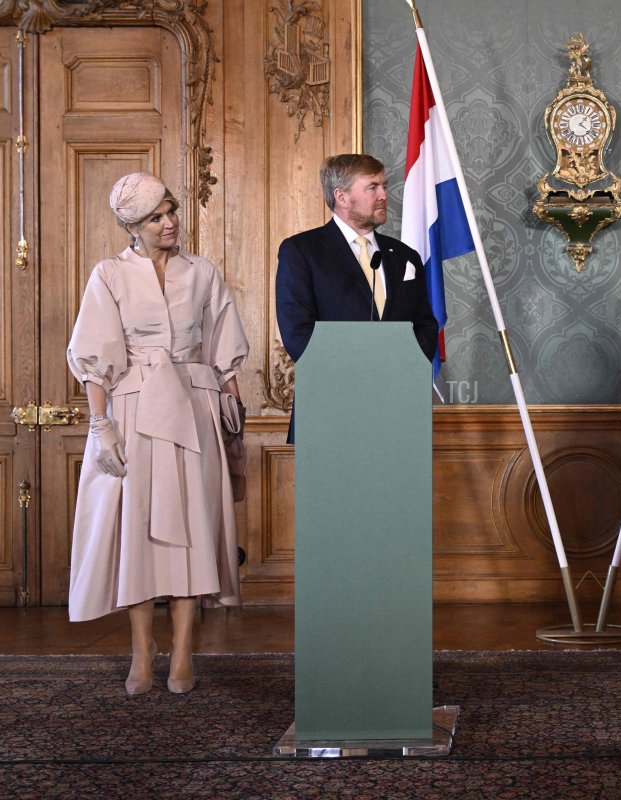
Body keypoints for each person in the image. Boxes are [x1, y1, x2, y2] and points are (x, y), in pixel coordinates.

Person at [67, 172, 249, 695]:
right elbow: (94, 357)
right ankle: (142, 650)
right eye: (156, 217)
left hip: (195, 406)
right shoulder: (109, 275)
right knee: (140, 532)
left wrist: (233, 411)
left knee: (192, 527)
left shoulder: (202, 272)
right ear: (132, 226)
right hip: (133, 410)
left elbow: (223, 345)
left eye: (171, 211)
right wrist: (101, 426)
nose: (170, 223)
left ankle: (185, 651)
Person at [275, 153, 438, 443]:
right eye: (372, 187)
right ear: (342, 197)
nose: (384, 195)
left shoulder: (405, 256)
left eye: (384, 186)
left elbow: (425, 325)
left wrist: (402, 369)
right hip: (331, 406)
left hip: (398, 406)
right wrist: (362, 374)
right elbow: (297, 333)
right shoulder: (302, 251)